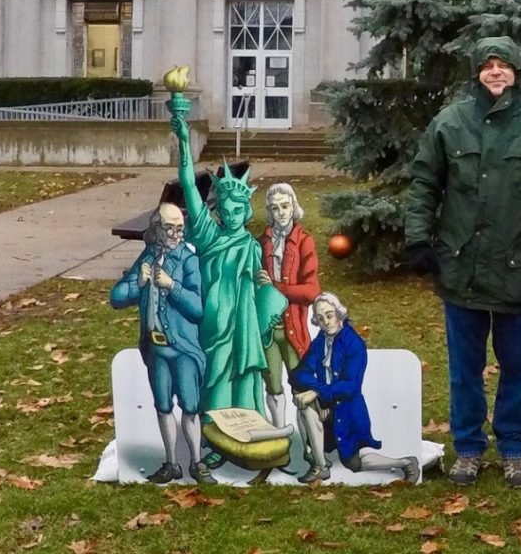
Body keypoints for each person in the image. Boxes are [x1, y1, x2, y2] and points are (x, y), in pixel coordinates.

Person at [403, 36, 521, 489]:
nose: (496, 72)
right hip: (460, 266)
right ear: (477, 72)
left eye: (504, 65)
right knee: (465, 367)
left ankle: (515, 447)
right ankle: (466, 446)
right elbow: (424, 184)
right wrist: (419, 239)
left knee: (519, 367)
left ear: (518, 72)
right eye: (488, 65)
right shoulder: (450, 122)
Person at [170, 115, 288, 470]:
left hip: (245, 325)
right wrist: (183, 138)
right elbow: (190, 187)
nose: (234, 213)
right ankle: (214, 440)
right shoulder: (207, 236)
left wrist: (267, 290)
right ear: (217, 209)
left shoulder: (251, 244)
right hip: (214, 323)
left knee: (246, 377)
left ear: (247, 209)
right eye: (227, 208)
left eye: (240, 208)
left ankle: (246, 437)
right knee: (216, 375)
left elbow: (256, 280)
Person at [109, 203, 215, 484]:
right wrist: (138, 284)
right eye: (170, 228)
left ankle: (197, 462)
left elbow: (197, 308)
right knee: (163, 405)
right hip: (155, 347)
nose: (176, 234)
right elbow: (116, 297)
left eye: (180, 228)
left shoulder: (188, 260)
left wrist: (172, 286)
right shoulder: (147, 256)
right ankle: (171, 462)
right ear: (157, 229)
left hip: (183, 349)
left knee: (190, 406)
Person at [290, 292, 420, 484]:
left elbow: (350, 386)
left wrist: (318, 391)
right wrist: (319, 394)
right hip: (326, 405)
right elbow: (298, 373)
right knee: (302, 402)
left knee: (354, 462)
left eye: (329, 315)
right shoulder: (319, 342)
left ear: (339, 313)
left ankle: (405, 462)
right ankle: (319, 465)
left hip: (348, 411)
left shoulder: (354, 344)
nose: (326, 321)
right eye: (320, 318)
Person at [258, 182, 321, 428]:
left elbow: (312, 290)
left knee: (301, 384)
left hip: (294, 325)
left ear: (294, 207)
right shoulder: (261, 242)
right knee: (272, 384)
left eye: (285, 206)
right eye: (275, 208)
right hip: (268, 329)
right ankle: (278, 432)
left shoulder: (304, 241)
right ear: (269, 211)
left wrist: (275, 287)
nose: (281, 213)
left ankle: (308, 441)